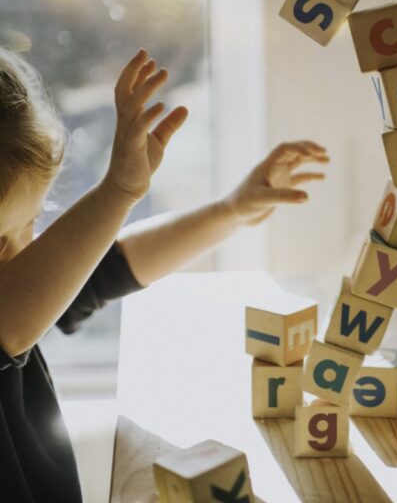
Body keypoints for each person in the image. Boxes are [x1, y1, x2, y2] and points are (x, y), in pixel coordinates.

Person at [0, 47, 329, 502]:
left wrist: (230, 210)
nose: (26, 250)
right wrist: (118, 190)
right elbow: (7, 320)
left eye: (34, 220)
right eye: (0, 241)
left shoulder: (20, 286)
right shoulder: (11, 311)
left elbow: (112, 265)